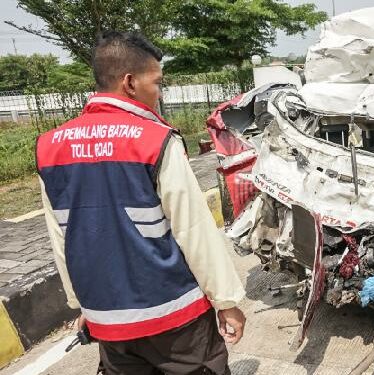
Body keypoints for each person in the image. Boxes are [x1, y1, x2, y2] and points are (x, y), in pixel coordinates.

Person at [36, 31, 246, 374]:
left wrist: (84, 304)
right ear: (130, 82)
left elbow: (61, 237)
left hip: (109, 321)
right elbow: (194, 230)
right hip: (174, 317)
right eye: (157, 82)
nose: (159, 92)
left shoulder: (48, 146)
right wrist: (226, 301)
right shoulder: (155, 140)